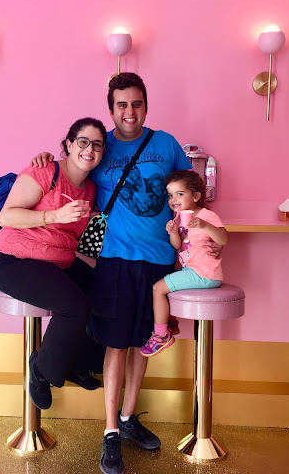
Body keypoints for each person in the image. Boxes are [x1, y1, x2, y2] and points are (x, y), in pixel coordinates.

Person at [32, 73, 193, 474]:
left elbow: (191, 188)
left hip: (159, 261)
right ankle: (109, 433)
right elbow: (71, 167)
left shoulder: (166, 144)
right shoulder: (99, 146)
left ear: (146, 106)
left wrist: (197, 229)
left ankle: (128, 417)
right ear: (111, 110)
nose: (130, 112)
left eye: (137, 103)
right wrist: (43, 161)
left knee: (143, 342)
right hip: (114, 259)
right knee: (116, 345)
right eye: (122, 105)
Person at [0, 117, 107, 411]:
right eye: (82, 141)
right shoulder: (44, 171)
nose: (89, 149)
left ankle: (75, 363)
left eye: (97, 145)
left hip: (56, 263)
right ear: (68, 144)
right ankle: (41, 369)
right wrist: (53, 216)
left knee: (106, 288)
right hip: (13, 260)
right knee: (74, 307)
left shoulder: (90, 190)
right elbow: (6, 217)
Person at [140, 169, 228, 357]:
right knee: (163, 286)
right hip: (195, 272)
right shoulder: (178, 219)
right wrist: (172, 232)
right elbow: (178, 245)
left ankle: (161, 334)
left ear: (196, 196)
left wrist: (204, 225)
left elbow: (223, 239)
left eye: (180, 194)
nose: (174, 200)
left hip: (204, 273)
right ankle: (168, 320)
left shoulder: (206, 215)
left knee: (158, 288)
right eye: (170, 195)